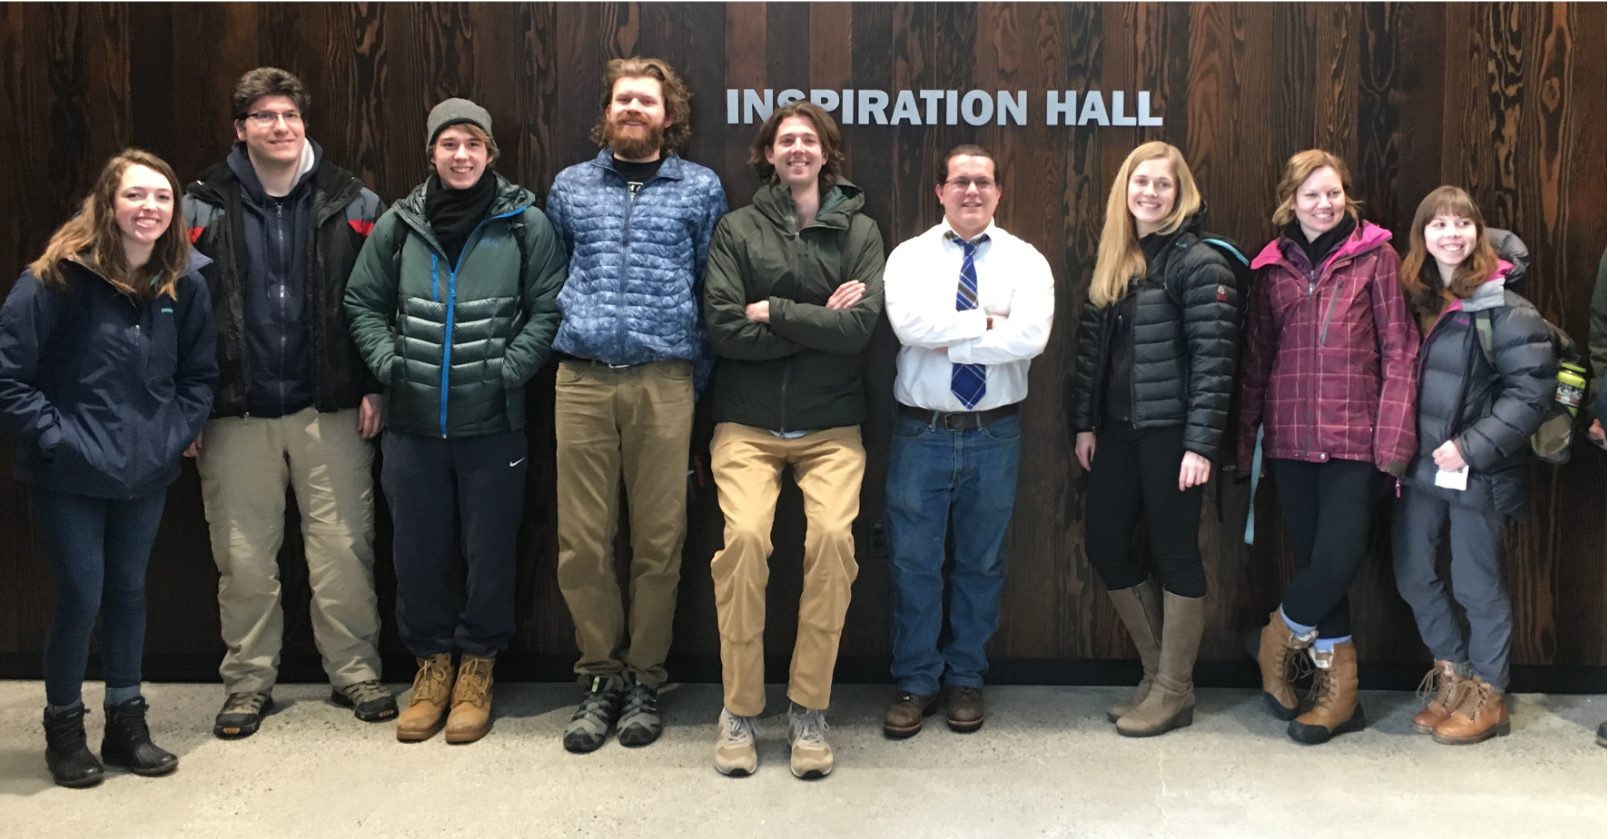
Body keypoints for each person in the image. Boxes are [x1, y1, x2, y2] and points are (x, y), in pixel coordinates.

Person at [344, 98, 566, 744]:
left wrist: (508, 369)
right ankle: (431, 665)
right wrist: (391, 364)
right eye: (449, 145)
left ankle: (477, 669)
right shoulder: (399, 223)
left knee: (490, 550)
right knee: (417, 549)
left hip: (493, 420)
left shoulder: (525, 224)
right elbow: (361, 301)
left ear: (491, 152)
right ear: (431, 153)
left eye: (473, 144)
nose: (461, 155)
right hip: (412, 424)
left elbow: (548, 306)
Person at [185, 67, 392, 740]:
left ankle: (356, 672)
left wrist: (375, 381)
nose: (280, 127)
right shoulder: (198, 206)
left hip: (329, 407)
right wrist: (185, 405)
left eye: (291, 116)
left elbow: (381, 300)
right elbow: (176, 309)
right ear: (239, 128)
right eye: (265, 116)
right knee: (242, 557)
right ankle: (248, 683)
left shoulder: (354, 199)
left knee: (343, 551)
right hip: (233, 410)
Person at [0, 149, 217, 786]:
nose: (149, 208)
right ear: (107, 203)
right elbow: (10, 377)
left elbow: (200, 376)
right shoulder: (54, 278)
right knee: (82, 596)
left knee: (128, 594)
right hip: (68, 471)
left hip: (144, 470)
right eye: (135, 196)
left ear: (175, 210)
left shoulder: (188, 280)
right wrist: (57, 439)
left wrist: (171, 435)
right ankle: (64, 730)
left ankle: (127, 724)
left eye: (162, 198)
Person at [545, 57, 727, 753]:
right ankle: (599, 676)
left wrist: (693, 379)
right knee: (583, 542)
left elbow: (713, 289)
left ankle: (646, 677)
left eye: (645, 101)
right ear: (608, 110)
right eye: (623, 98)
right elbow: (552, 274)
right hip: (583, 379)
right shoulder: (570, 187)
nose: (633, 109)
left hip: (665, 380)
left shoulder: (700, 189)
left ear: (667, 115)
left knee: (660, 539)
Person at [702, 101, 884, 779]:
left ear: (826, 153)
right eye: (787, 141)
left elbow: (858, 332)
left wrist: (774, 309)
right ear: (769, 154)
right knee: (745, 540)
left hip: (832, 426)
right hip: (746, 425)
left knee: (833, 542)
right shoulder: (737, 229)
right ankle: (740, 710)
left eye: (809, 140)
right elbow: (724, 329)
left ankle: (810, 709)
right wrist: (817, 320)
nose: (798, 149)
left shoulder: (859, 231)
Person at [1239, 149, 1419, 744]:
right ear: (1292, 200)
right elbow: (1256, 362)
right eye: (1312, 194)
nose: (1325, 204)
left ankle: (1276, 637)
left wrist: (1393, 441)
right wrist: (1245, 446)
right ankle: (1340, 696)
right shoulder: (1270, 269)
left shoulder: (1378, 258)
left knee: (1338, 558)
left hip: (1356, 441)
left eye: (1334, 193)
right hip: (1289, 440)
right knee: (1322, 565)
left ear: (1348, 197)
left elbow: (1400, 352)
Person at [880, 144, 1053, 739]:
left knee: (982, 563)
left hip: (993, 433)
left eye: (983, 181)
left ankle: (966, 680)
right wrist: (986, 323)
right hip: (920, 432)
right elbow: (909, 327)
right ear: (940, 191)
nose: (972, 191)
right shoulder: (908, 256)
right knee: (913, 563)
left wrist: (948, 335)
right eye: (960, 181)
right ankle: (915, 681)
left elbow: (1031, 338)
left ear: (999, 192)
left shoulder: (1026, 260)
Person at [1068, 141, 1238, 737]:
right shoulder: (1118, 257)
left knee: (1176, 554)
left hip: (1172, 436)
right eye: (1142, 182)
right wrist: (1084, 424)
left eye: (1163, 184)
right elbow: (1093, 354)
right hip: (1115, 433)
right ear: (1126, 189)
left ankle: (1175, 691)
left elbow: (1217, 362)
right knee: (1107, 545)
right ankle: (1156, 675)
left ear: (1180, 191)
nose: (1151, 193)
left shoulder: (1199, 263)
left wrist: (1201, 444)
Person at [1389, 187, 1555, 746]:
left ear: (1478, 234)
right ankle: (1454, 678)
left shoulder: (1503, 306)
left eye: (1463, 223)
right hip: (1419, 468)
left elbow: (1532, 390)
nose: (1452, 233)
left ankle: (1490, 694)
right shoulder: (1416, 296)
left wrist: (1472, 446)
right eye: (1439, 223)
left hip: (1477, 470)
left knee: (1476, 584)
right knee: (1415, 574)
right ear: (1423, 235)